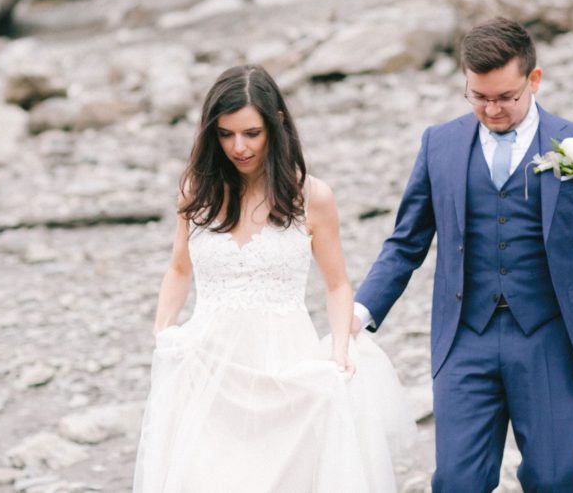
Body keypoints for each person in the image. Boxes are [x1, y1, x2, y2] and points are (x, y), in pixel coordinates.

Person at [352, 17, 573, 492]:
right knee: (456, 481)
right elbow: (406, 241)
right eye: (478, 96)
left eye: (505, 97)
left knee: (555, 479)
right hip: (464, 337)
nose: (491, 109)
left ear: (534, 80)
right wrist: (359, 311)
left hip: (550, 338)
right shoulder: (439, 145)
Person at [134, 65, 414, 493]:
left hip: (283, 361)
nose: (238, 147)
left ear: (276, 125)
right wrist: (163, 330)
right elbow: (178, 269)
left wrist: (340, 350)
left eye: (251, 133)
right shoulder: (197, 190)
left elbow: (337, 284)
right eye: (225, 135)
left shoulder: (312, 197)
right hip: (209, 365)